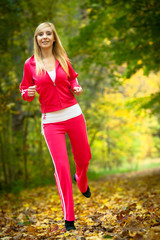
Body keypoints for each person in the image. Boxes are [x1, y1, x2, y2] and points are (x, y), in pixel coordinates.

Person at [20, 22, 91, 231]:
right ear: (36, 39)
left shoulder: (63, 59)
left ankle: (81, 179)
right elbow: (25, 89)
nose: (44, 37)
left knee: (84, 157)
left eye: (48, 33)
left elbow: (72, 81)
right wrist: (27, 94)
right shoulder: (30, 64)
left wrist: (76, 87)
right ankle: (69, 217)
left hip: (73, 114)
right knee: (61, 167)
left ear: (53, 38)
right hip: (51, 121)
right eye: (40, 34)